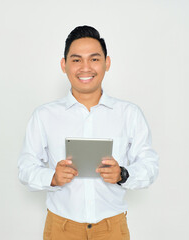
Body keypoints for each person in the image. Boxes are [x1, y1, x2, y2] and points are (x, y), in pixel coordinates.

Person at [18, 25, 159, 240]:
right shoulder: (44, 115)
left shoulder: (129, 114)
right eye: (76, 60)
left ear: (107, 63)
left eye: (94, 59)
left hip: (112, 229)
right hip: (61, 228)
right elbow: (26, 168)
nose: (85, 67)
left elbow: (149, 165)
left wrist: (122, 174)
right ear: (64, 65)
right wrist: (53, 177)